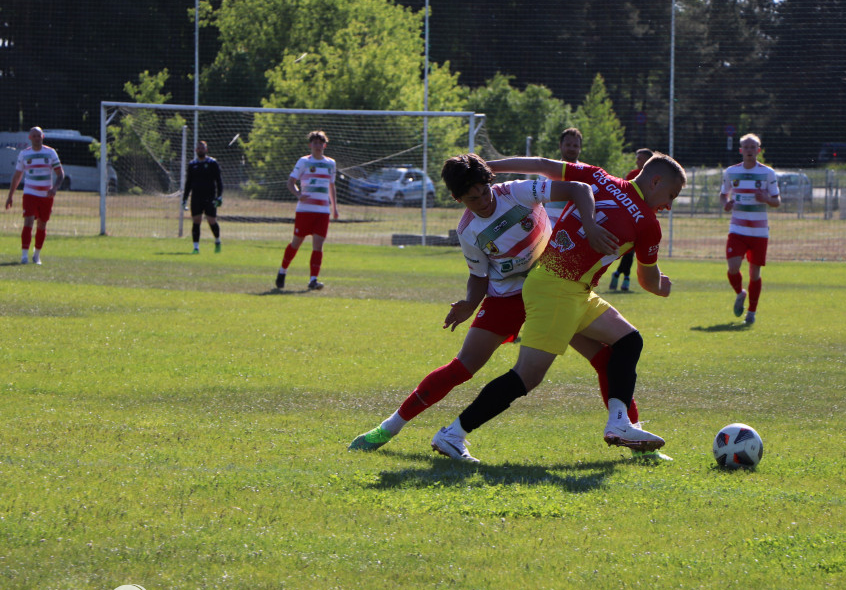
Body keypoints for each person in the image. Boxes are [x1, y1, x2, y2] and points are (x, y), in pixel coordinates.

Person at [349, 153, 664, 460]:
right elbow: (479, 275)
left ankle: (630, 433)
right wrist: (469, 304)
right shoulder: (467, 230)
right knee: (463, 367)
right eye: (473, 199)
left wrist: (590, 225)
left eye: (484, 191)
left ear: (489, 182)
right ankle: (389, 428)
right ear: (459, 200)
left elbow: (569, 184)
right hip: (509, 297)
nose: (483, 201)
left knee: (607, 357)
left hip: (551, 286)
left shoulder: (514, 192)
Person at [430, 152, 687, 463]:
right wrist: (665, 286)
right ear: (656, 181)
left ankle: (621, 423)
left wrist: (488, 168)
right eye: (671, 195)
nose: (669, 205)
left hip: (568, 287)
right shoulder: (648, 223)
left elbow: (540, 164)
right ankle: (452, 434)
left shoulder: (599, 176)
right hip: (557, 289)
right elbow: (649, 281)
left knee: (628, 340)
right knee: (527, 376)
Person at [719, 133, 780, 326]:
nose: (749, 150)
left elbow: (777, 201)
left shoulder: (768, 173)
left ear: (758, 150)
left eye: (753, 147)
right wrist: (726, 204)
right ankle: (740, 293)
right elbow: (723, 195)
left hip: (759, 232)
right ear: (741, 151)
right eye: (746, 147)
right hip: (737, 229)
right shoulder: (730, 172)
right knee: (733, 267)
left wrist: (767, 199)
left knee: (755, 273)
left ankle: (751, 312)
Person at [275, 131, 339, 291]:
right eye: (314, 143)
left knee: (318, 245)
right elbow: (291, 182)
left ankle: (313, 279)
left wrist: (335, 208)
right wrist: (298, 194)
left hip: (323, 211)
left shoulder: (331, 163)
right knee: (296, 243)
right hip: (305, 210)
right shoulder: (303, 161)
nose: (317, 146)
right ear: (310, 145)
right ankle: (282, 271)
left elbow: (332, 186)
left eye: (320, 143)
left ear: (324, 145)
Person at [5, 127, 64, 265]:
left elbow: (60, 174)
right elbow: (18, 176)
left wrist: (54, 188)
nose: (37, 138)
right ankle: (24, 256)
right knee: (28, 221)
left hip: (46, 195)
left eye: (39, 135)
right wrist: (10, 195)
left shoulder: (50, 152)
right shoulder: (24, 154)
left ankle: (36, 255)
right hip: (30, 193)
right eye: (34, 136)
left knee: (42, 224)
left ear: (43, 136)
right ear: (30, 138)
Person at [608, 148, 654, 292]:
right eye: (637, 158)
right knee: (628, 250)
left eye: (640, 158)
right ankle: (625, 277)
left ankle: (619, 274)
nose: (637, 161)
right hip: (629, 219)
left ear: (648, 161)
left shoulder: (655, 179)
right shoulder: (632, 175)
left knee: (632, 251)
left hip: (644, 221)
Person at [181, 140, 224, 254]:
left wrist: (219, 196)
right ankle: (196, 247)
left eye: (202, 148)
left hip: (210, 197)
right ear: (196, 150)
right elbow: (188, 183)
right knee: (196, 221)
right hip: (196, 197)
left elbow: (219, 181)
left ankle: (217, 241)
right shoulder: (192, 164)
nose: (200, 150)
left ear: (206, 150)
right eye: (199, 148)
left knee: (212, 221)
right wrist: (185, 198)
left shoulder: (212, 163)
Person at [540, 127, 583, 225]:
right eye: (568, 145)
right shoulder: (547, 171)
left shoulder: (586, 174)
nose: (571, 148)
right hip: (549, 228)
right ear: (560, 145)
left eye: (575, 145)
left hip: (575, 227)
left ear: (580, 148)